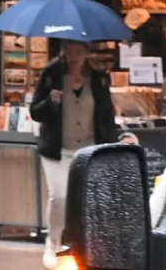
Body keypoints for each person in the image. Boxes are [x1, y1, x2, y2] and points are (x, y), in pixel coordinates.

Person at [29, 40, 121, 249]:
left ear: (87, 53)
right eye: (69, 50)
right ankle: (54, 243)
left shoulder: (98, 78)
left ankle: (85, 245)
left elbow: (106, 115)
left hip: (89, 147)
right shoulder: (51, 75)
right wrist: (50, 102)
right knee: (59, 197)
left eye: (78, 51)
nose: (73, 55)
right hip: (58, 149)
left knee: (89, 199)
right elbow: (35, 112)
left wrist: (111, 144)